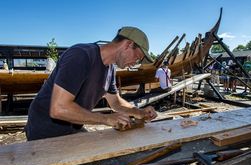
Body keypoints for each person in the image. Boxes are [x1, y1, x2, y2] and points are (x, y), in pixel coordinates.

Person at [25, 26, 157, 141]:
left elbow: (115, 102)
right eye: (137, 57)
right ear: (128, 44)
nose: (136, 63)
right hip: (45, 130)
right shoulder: (81, 56)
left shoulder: (110, 68)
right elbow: (59, 108)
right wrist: (106, 119)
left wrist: (138, 112)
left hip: (73, 127)